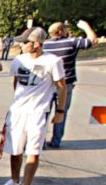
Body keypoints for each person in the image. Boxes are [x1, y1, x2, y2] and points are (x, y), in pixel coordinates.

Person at [0, 27, 66, 185]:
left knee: (33, 151)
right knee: (15, 149)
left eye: (25, 42)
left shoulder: (53, 61)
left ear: (36, 43)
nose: (21, 45)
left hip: (38, 113)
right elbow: (16, 82)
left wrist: (60, 111)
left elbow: (61, 86)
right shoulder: (19, 60)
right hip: (17, 111)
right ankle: (13, 180)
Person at [43, 20, 103, 148]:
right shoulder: (71, 42)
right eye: (65, 29)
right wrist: (86, 26)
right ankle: (56, 141)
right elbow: (93, 40)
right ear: (60, 32)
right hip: (65, 83)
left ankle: (39, 140)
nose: (67, 31)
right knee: (61, 111)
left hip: (47, 84)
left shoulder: (45, 45)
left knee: (44, 112)